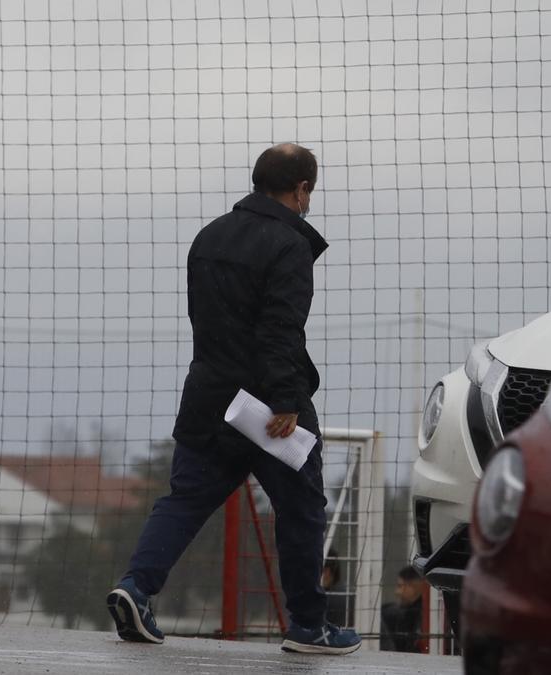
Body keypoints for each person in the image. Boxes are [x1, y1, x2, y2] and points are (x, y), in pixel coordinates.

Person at [105, 144, 361, 655]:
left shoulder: (209, 236)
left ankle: (136, 587)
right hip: (268, 408)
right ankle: (310, 626)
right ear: (302, 188)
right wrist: (287, 398)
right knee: (303, 508)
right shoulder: (289, 244)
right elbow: (279, 328)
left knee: (185, 500)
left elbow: (206, 319)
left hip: (209, 396)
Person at [379, 566, 424, 653]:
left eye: (400, 586)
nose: (397, 592)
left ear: (413, 586)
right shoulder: (402, 613)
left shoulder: (423, 617)